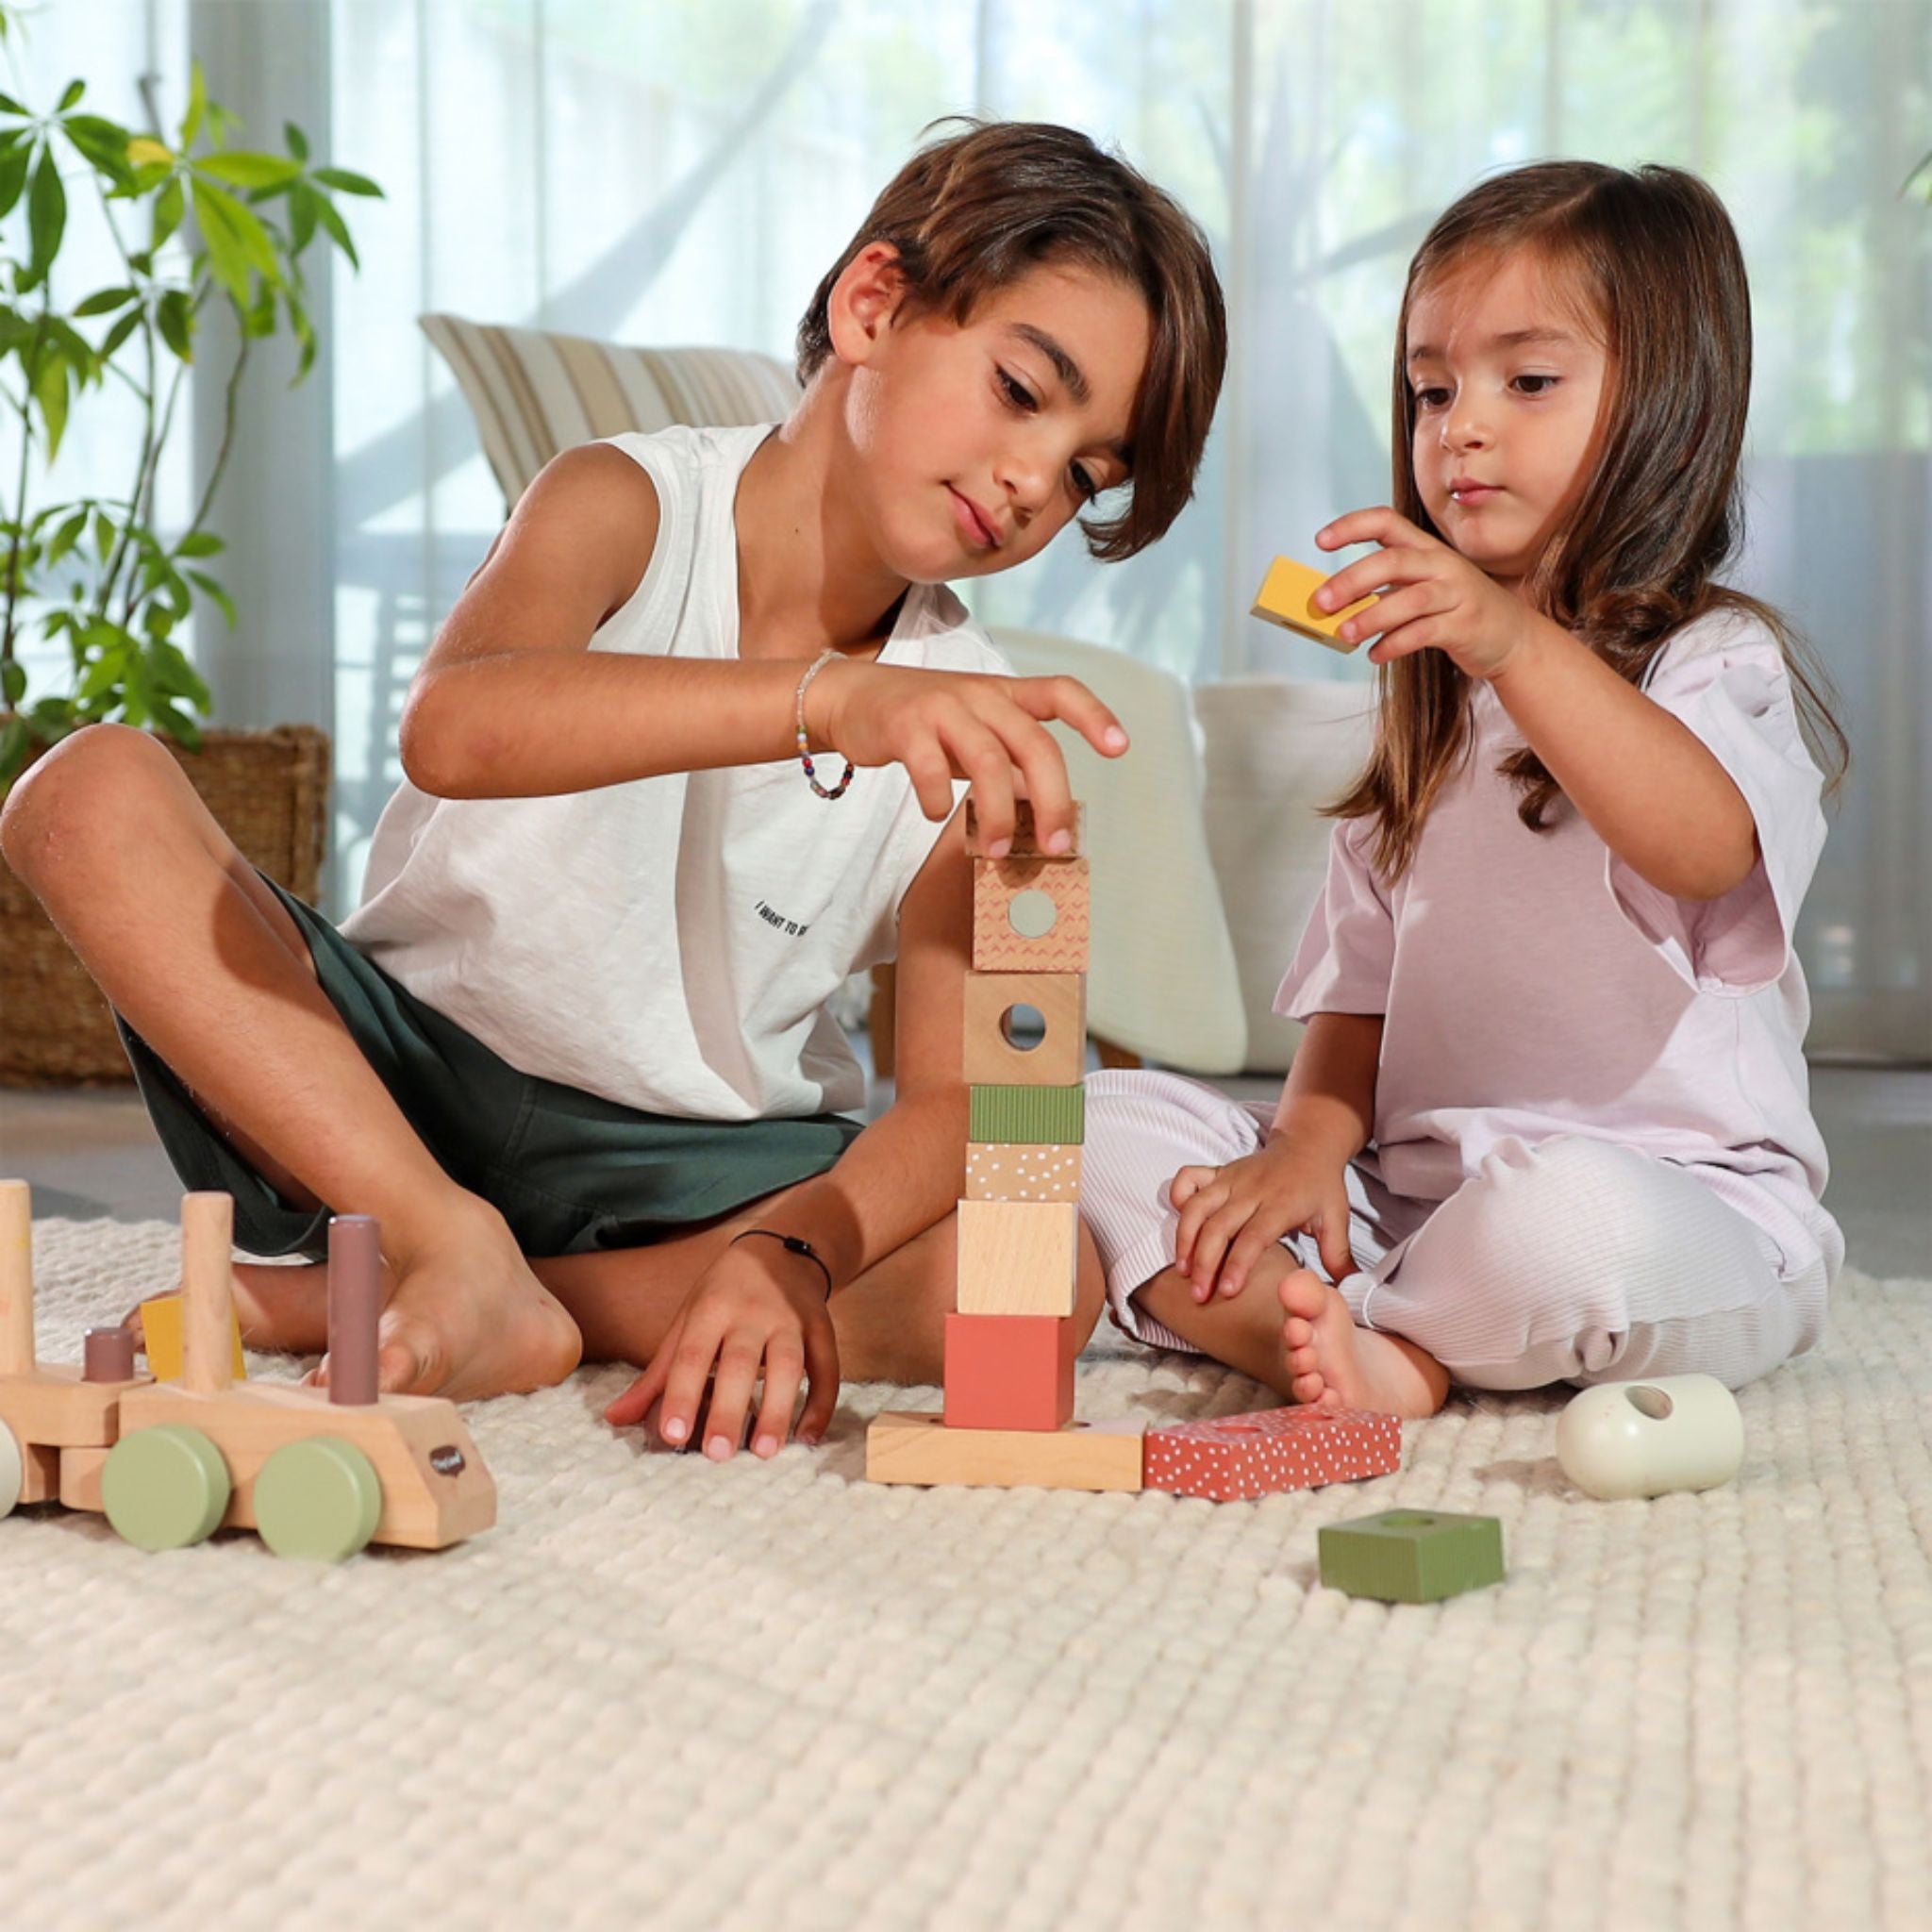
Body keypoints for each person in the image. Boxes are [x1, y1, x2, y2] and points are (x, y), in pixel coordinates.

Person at [1, 120, 1227, 1458]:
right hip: (396, 1092)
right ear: (874, 304)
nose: (1030, 483)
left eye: (1083, 473)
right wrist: (830, 701)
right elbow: (455, 729)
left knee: (1038, 1281)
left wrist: (792, 1260)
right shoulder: (620, 501)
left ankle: (511, 1306)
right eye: (1018, 391)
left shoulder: (968, 721)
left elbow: (949, 1102)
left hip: (690, 1174)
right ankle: (434, 1238)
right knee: (87, 788)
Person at [1078, 159, 1848, 1419]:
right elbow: (1357, 998)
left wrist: (1514, 643)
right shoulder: (1428, 701)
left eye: (1527, 381)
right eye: (1432, 389)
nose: (1461, 426)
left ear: (1668, 406)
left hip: (1680, 1203)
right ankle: (1369, 1332)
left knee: (1569, 1229)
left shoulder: (1713, 664)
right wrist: (1305, 1153)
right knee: (1091, 1127)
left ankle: (1378, 1338)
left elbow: (1704, 847)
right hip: (1417, 1205)